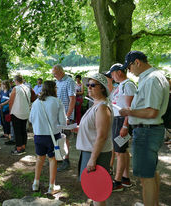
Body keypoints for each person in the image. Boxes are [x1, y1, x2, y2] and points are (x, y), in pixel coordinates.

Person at [119, 51, 169, 206]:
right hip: (149, 130)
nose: (129, 71)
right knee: (151, 173)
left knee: (145, 178)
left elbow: (151, 111)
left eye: (129, 67)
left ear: (137, 62)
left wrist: (129, 112)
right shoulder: (153, 76)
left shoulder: (152, 79)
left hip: (147, 131)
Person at [76, 73, 113, 206]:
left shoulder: (102, 107)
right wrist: (80, 129)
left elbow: (102, 135)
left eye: (92, 85)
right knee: (93, 191)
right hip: (90, 151)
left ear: (102, 88)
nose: (89, 88)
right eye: (88, 85)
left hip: (97, 154)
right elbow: (94, 128)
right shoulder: (96, 104)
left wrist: (92, 158)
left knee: (98, 192)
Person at [30, 80, 67, 194]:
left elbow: (31, 119)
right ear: (54, 89)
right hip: (53, 136)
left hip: (38, 135)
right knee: (52, 159)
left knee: (39, 158)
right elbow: (62, 122)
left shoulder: (36, 102)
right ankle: (52, 186)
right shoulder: (57, 102)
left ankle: (35, 183)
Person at [106, 63, 137, 191]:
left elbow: (130, 108)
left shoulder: (128, 85)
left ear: (119, 72)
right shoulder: (120, 85)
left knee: (120, 152)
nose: (112, 77)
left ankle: (117, 181)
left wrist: (125, 125)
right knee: (122, 151)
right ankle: (125, 179)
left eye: (112, 74)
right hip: (117, 120)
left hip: (121, 121)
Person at [52, 64, 76, 172]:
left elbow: (72, 99)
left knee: (65, 138)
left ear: (61, 72)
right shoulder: (57, 82)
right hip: (57, 114)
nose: (54, 76)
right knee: (58, 137)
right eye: (53, 74)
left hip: (66, 115)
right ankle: (60, 157)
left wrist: (68, 115)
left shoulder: (69, 81)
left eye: (55, 74)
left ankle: (66, 161)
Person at [9, 74, 31, 155]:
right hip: (25, 112)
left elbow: (11, 101)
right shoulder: (27, 87)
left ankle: (18, 148)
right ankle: (23, 146)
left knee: (17, 131)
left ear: (16, 80)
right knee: (23, 130)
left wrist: (10, 110)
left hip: (16, 112)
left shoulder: (16, 88)